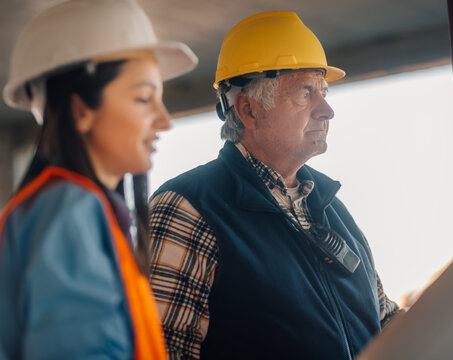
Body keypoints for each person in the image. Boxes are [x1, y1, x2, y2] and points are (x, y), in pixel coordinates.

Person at [149, 11, 400, 360]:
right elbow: (158, 350)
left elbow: (386, 322)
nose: (327, 110)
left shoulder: (332, 211)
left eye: (324, 92)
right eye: (305, 94)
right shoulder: (188, 208)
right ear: (249, 110)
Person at [0, 0, 197, 358]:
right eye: (143, 98)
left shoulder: (68, 208)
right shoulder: (67, 211)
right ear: (81, 110)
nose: (164, 120)